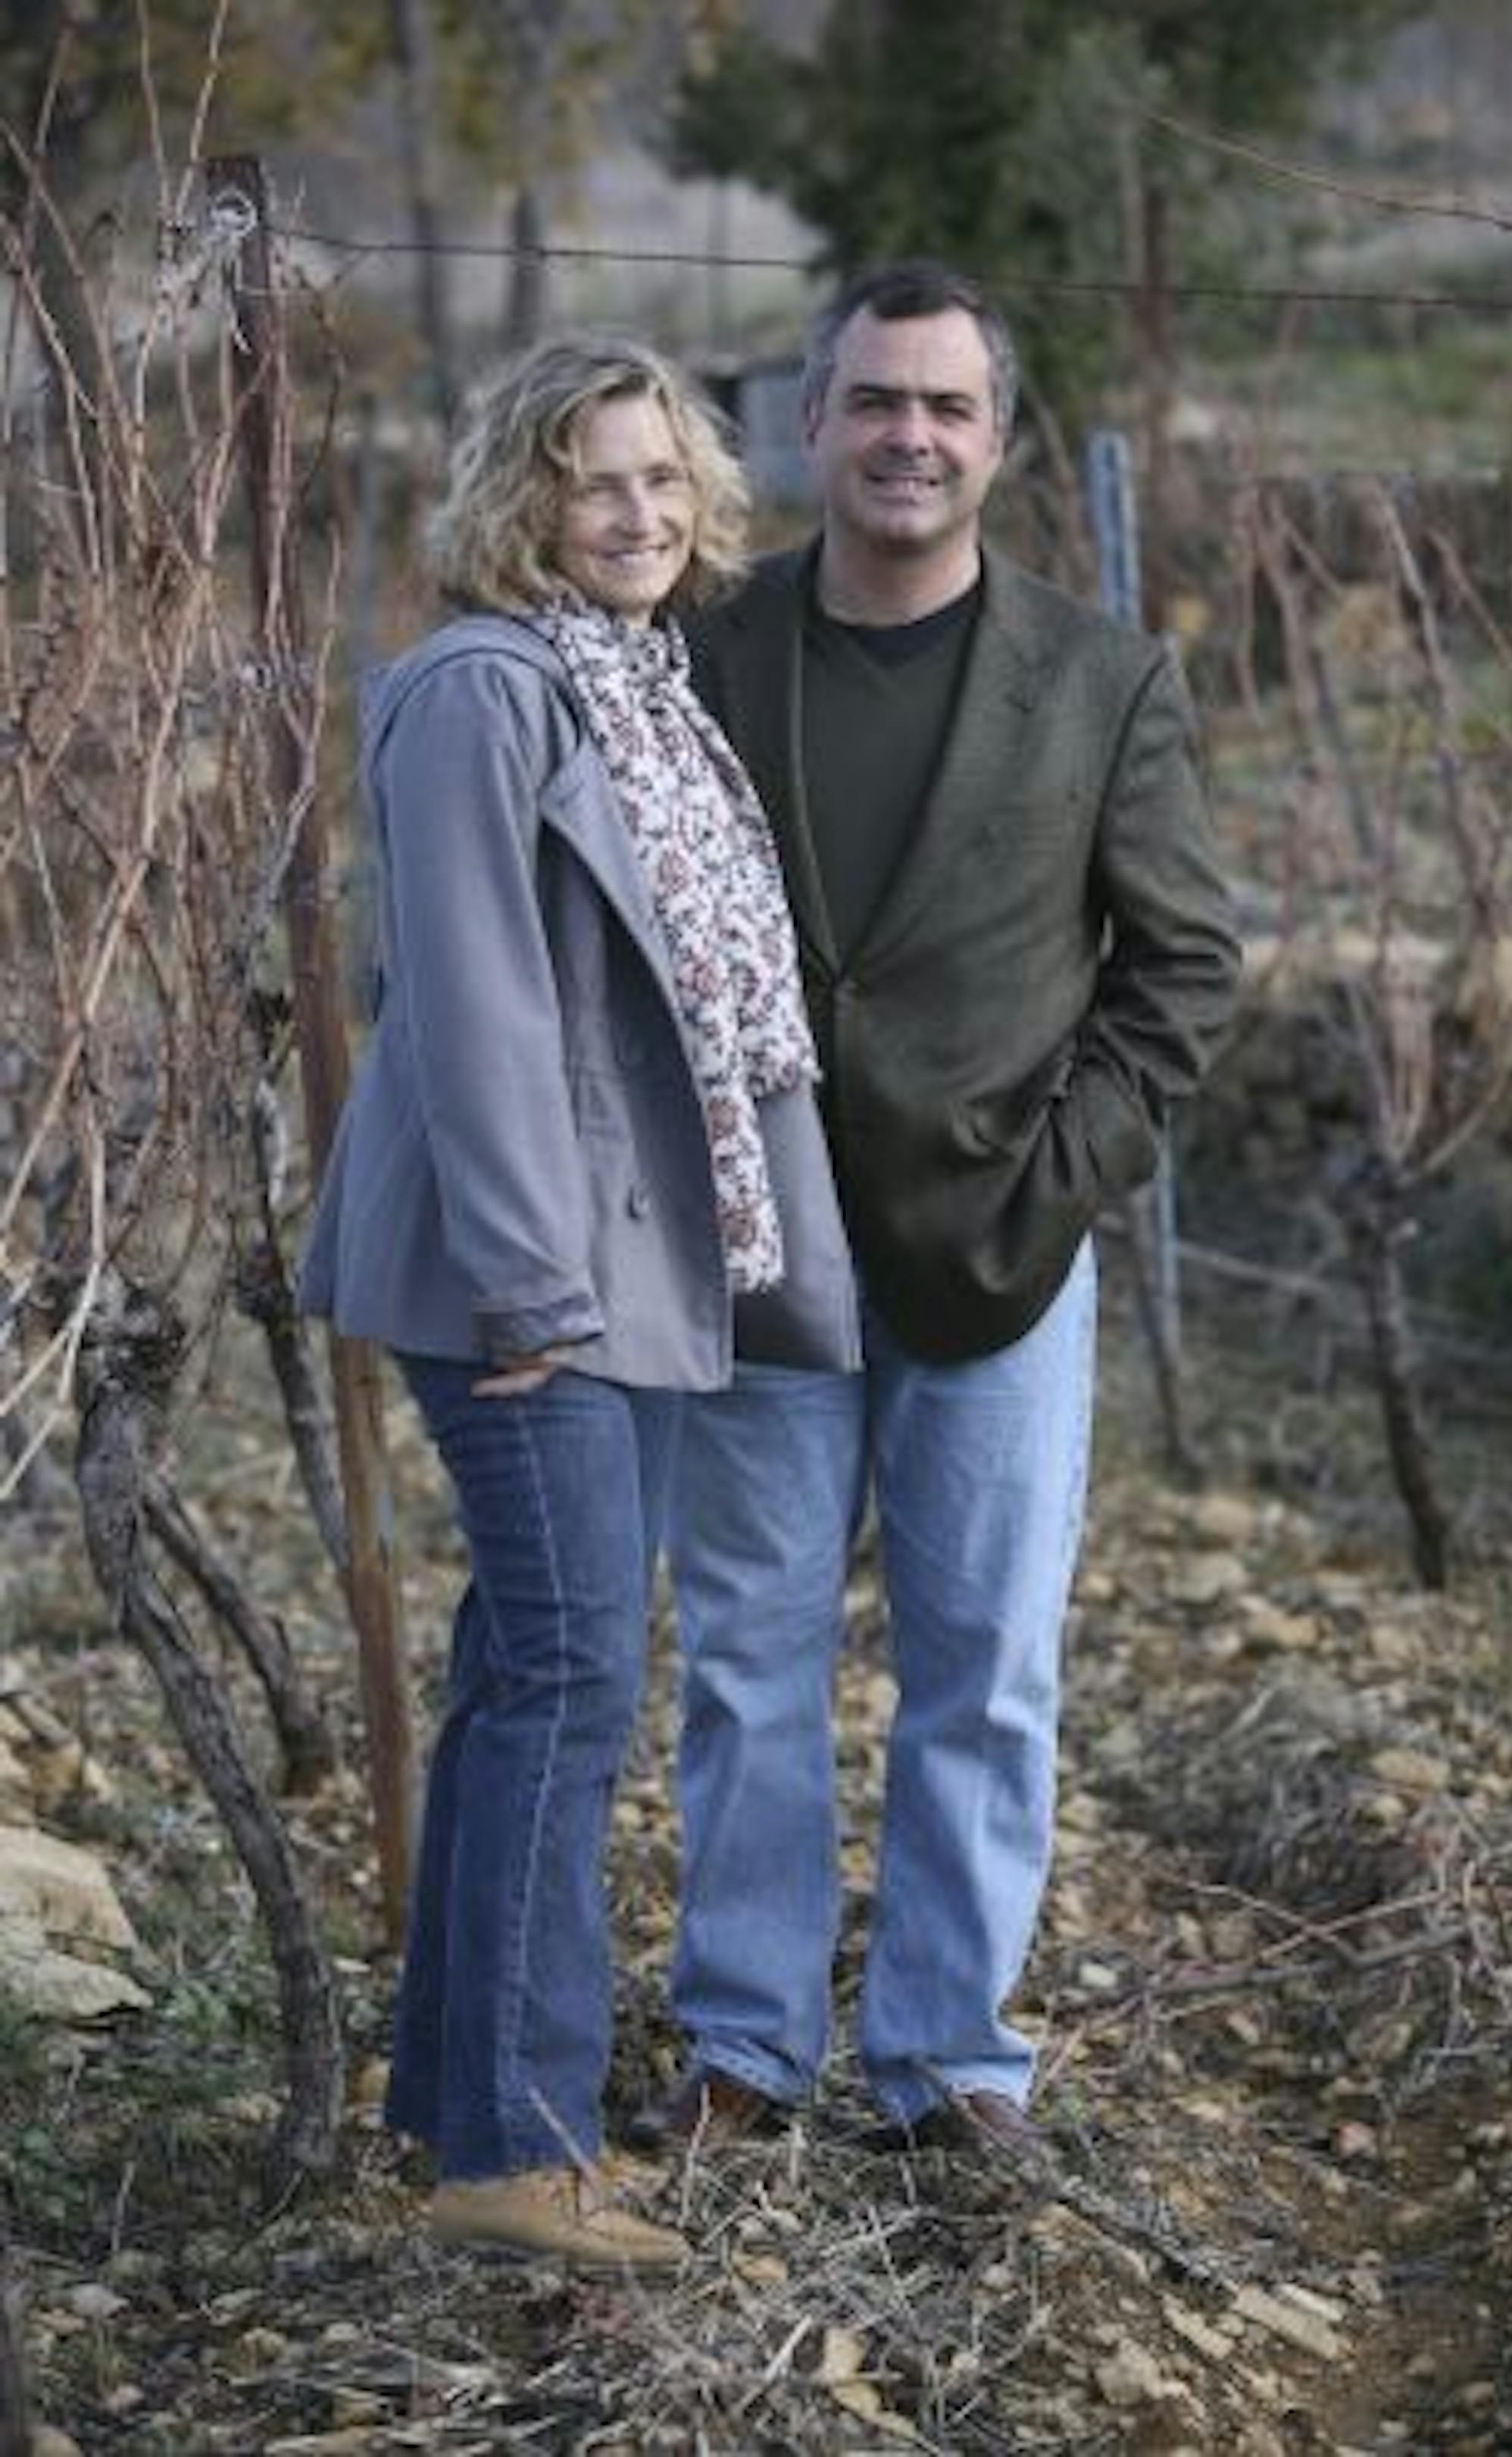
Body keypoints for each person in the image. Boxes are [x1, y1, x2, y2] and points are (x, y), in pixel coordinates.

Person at [633, 261, 1242, 2168]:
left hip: (1003, 1255)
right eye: (876, 400)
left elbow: (1189, 969)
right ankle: (746, 2042)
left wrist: (1056, 1181)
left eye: (948, 408)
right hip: (754, 1252)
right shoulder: (703, 651)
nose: (911, 436)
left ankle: (953, 2059)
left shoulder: (1103, 675)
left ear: (998, 440)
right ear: (811, 422)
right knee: (750, 1651)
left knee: (987, 1662)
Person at [300, 336, 858, 2268]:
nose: (635, 512)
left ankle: (458, 2102)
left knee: (514, 1676)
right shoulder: (482, 688)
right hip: (518, 1278)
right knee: (563, 1678)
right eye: (589, 480)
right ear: (517, 503)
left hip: (610, 1264)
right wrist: (537, 1285)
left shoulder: (638, 687)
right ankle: (518, 2147)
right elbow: (472, 1003)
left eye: (662, 477)